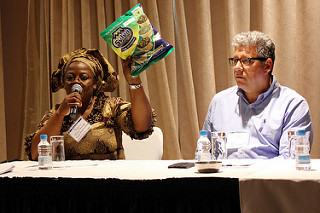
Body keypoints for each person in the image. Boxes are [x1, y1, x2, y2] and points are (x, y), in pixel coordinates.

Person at [25, 48, 156, 160]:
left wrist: (134, 82)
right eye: (70, 78)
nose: (76, 82)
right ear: (64, 83)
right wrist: (59, 115)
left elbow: (142, 126)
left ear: (95, 83)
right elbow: (36, 154)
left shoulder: (111, 107)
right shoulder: (57, 113)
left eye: (83, 77)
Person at [202, 31, 313, 159]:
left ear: (267, 66)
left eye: (245, 61)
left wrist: (247, 173)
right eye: (235, 60)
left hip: (267, 179)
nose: (237, 67)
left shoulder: (293, 105)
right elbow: (203, 155)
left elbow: (290, 161)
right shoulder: (220, 102)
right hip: (224, 178)